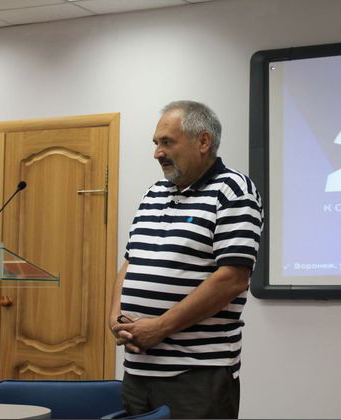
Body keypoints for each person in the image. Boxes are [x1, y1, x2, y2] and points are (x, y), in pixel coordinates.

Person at [109, 100, 263, 419]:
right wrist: (116, 317)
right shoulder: (153, 193)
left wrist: (160, 328)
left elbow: (232, 279)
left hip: (196, 376)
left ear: (203, 141)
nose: (158, 153)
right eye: (156, 143)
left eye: (167, 142)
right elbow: (131, 261)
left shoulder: (234, 191)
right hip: (138, 371)